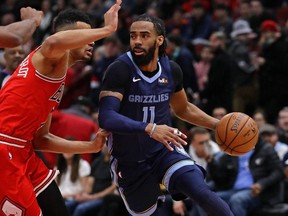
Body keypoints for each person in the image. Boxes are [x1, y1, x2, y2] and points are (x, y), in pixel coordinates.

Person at [98, 14, 233, 216]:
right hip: (129, 160)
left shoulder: (171, 70)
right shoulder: (119, 69)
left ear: (159, 39)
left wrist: (218, 125)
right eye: (133, 36)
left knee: (200, 191)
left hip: (165, 150)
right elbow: (107, 117)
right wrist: (149, 128)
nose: (137, 41)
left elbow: (183, 108)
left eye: (144, 36)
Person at [0, 1, 121, 216]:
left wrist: (91, 146)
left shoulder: (58, 75)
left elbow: (41, 139)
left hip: (25, 150)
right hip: (5, 148)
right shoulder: (51, 57)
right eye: (86, 35)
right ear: (69, 37)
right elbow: (53, 42)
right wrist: (107, 29)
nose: (92, 40)